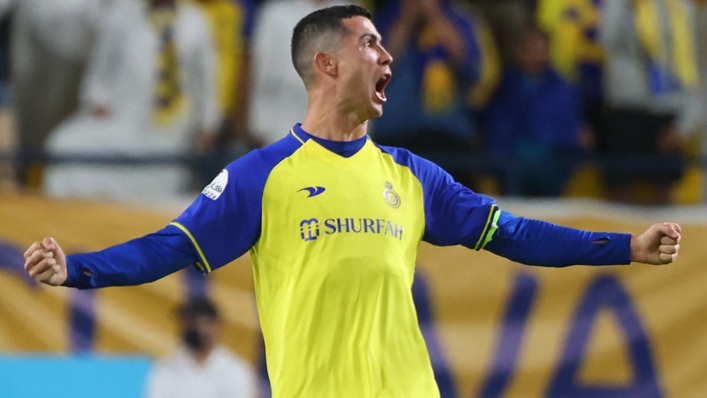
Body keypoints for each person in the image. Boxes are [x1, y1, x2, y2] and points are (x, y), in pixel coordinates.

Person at [23, 6, 682, 397]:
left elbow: (514, 233)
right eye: (370, 41)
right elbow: (167, 247)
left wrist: (623, 246)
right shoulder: (261, 176)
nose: (388, 54)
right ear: (326, 65)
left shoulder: (412, 176)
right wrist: (77, 269)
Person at [42, 0, 219, 201]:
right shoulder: (123, 14)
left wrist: (207, 124)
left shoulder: (196, 21)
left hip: (171, 132)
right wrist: (97, 101)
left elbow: (207, 80)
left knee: (156, 181)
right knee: (63, 144)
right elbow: (100, 73)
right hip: (122, 123)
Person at [599, 0, 700, 205]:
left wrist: (684, 125)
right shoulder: (617, 4)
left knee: (663, 187)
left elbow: (694, 68)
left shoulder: (683, 7)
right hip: (627, 106)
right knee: (621, 185)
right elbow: (606, 40)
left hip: (669, 108)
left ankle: (664, 237)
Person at [482, 26, 589, 196]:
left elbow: (573, 131)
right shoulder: (503, 86)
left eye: (540, 50)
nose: (535, 55)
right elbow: (496, 129)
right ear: (519, 51)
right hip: (510, 166)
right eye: (530, 49)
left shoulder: (562, 89)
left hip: (551, 166)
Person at [249, 0, 352, 147]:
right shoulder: (276, 13)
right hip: (275, 131)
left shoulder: (351, 15)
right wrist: (255, 126)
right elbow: (257, 73)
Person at [145, 297, 256, 398]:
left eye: (197, 323)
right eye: (187, 323)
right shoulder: (165, 369)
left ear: (216, 326)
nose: (191, 329)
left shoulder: (235, 371)